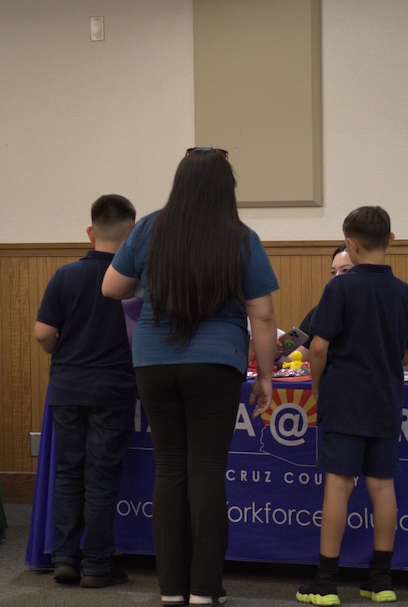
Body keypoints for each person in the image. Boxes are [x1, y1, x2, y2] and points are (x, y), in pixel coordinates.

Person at [102, 147, 279, 607]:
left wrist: (148, 279)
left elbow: (110, 287)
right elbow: (263, 316)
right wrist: (266, 376)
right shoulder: (241, 238)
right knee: (205, 472)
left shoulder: (148, 228)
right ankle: (204, 589)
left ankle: (170, 589)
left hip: (153, 361)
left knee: (169, 470)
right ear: (228, 188)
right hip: (216, 362)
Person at [296, 206, 408, 606]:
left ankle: (326, 583)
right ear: (392, 241)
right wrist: (387, 364)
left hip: (344, 400)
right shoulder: (404, 292)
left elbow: (317, 347)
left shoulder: (340, 289)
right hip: (386, 399)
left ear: (350, 244)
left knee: (338, 484)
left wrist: (319, 389)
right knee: (383, 486)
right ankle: (381, 580)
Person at [34, 194, 138, 589]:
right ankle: (97, 564)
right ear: (132, 234)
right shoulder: (135, 279)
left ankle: (64, 557)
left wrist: (63, 352)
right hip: (113, 388)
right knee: (102, 476)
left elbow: (44, 333)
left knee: (68, 472)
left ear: (91, 231)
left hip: (67, 385)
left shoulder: (65, 275)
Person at [295, 245, 353, 352]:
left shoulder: (375, 310)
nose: (336, 278)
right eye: (333, 272)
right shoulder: (319, 312)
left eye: (345, 270)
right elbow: (296, 357)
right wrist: (277, 353)